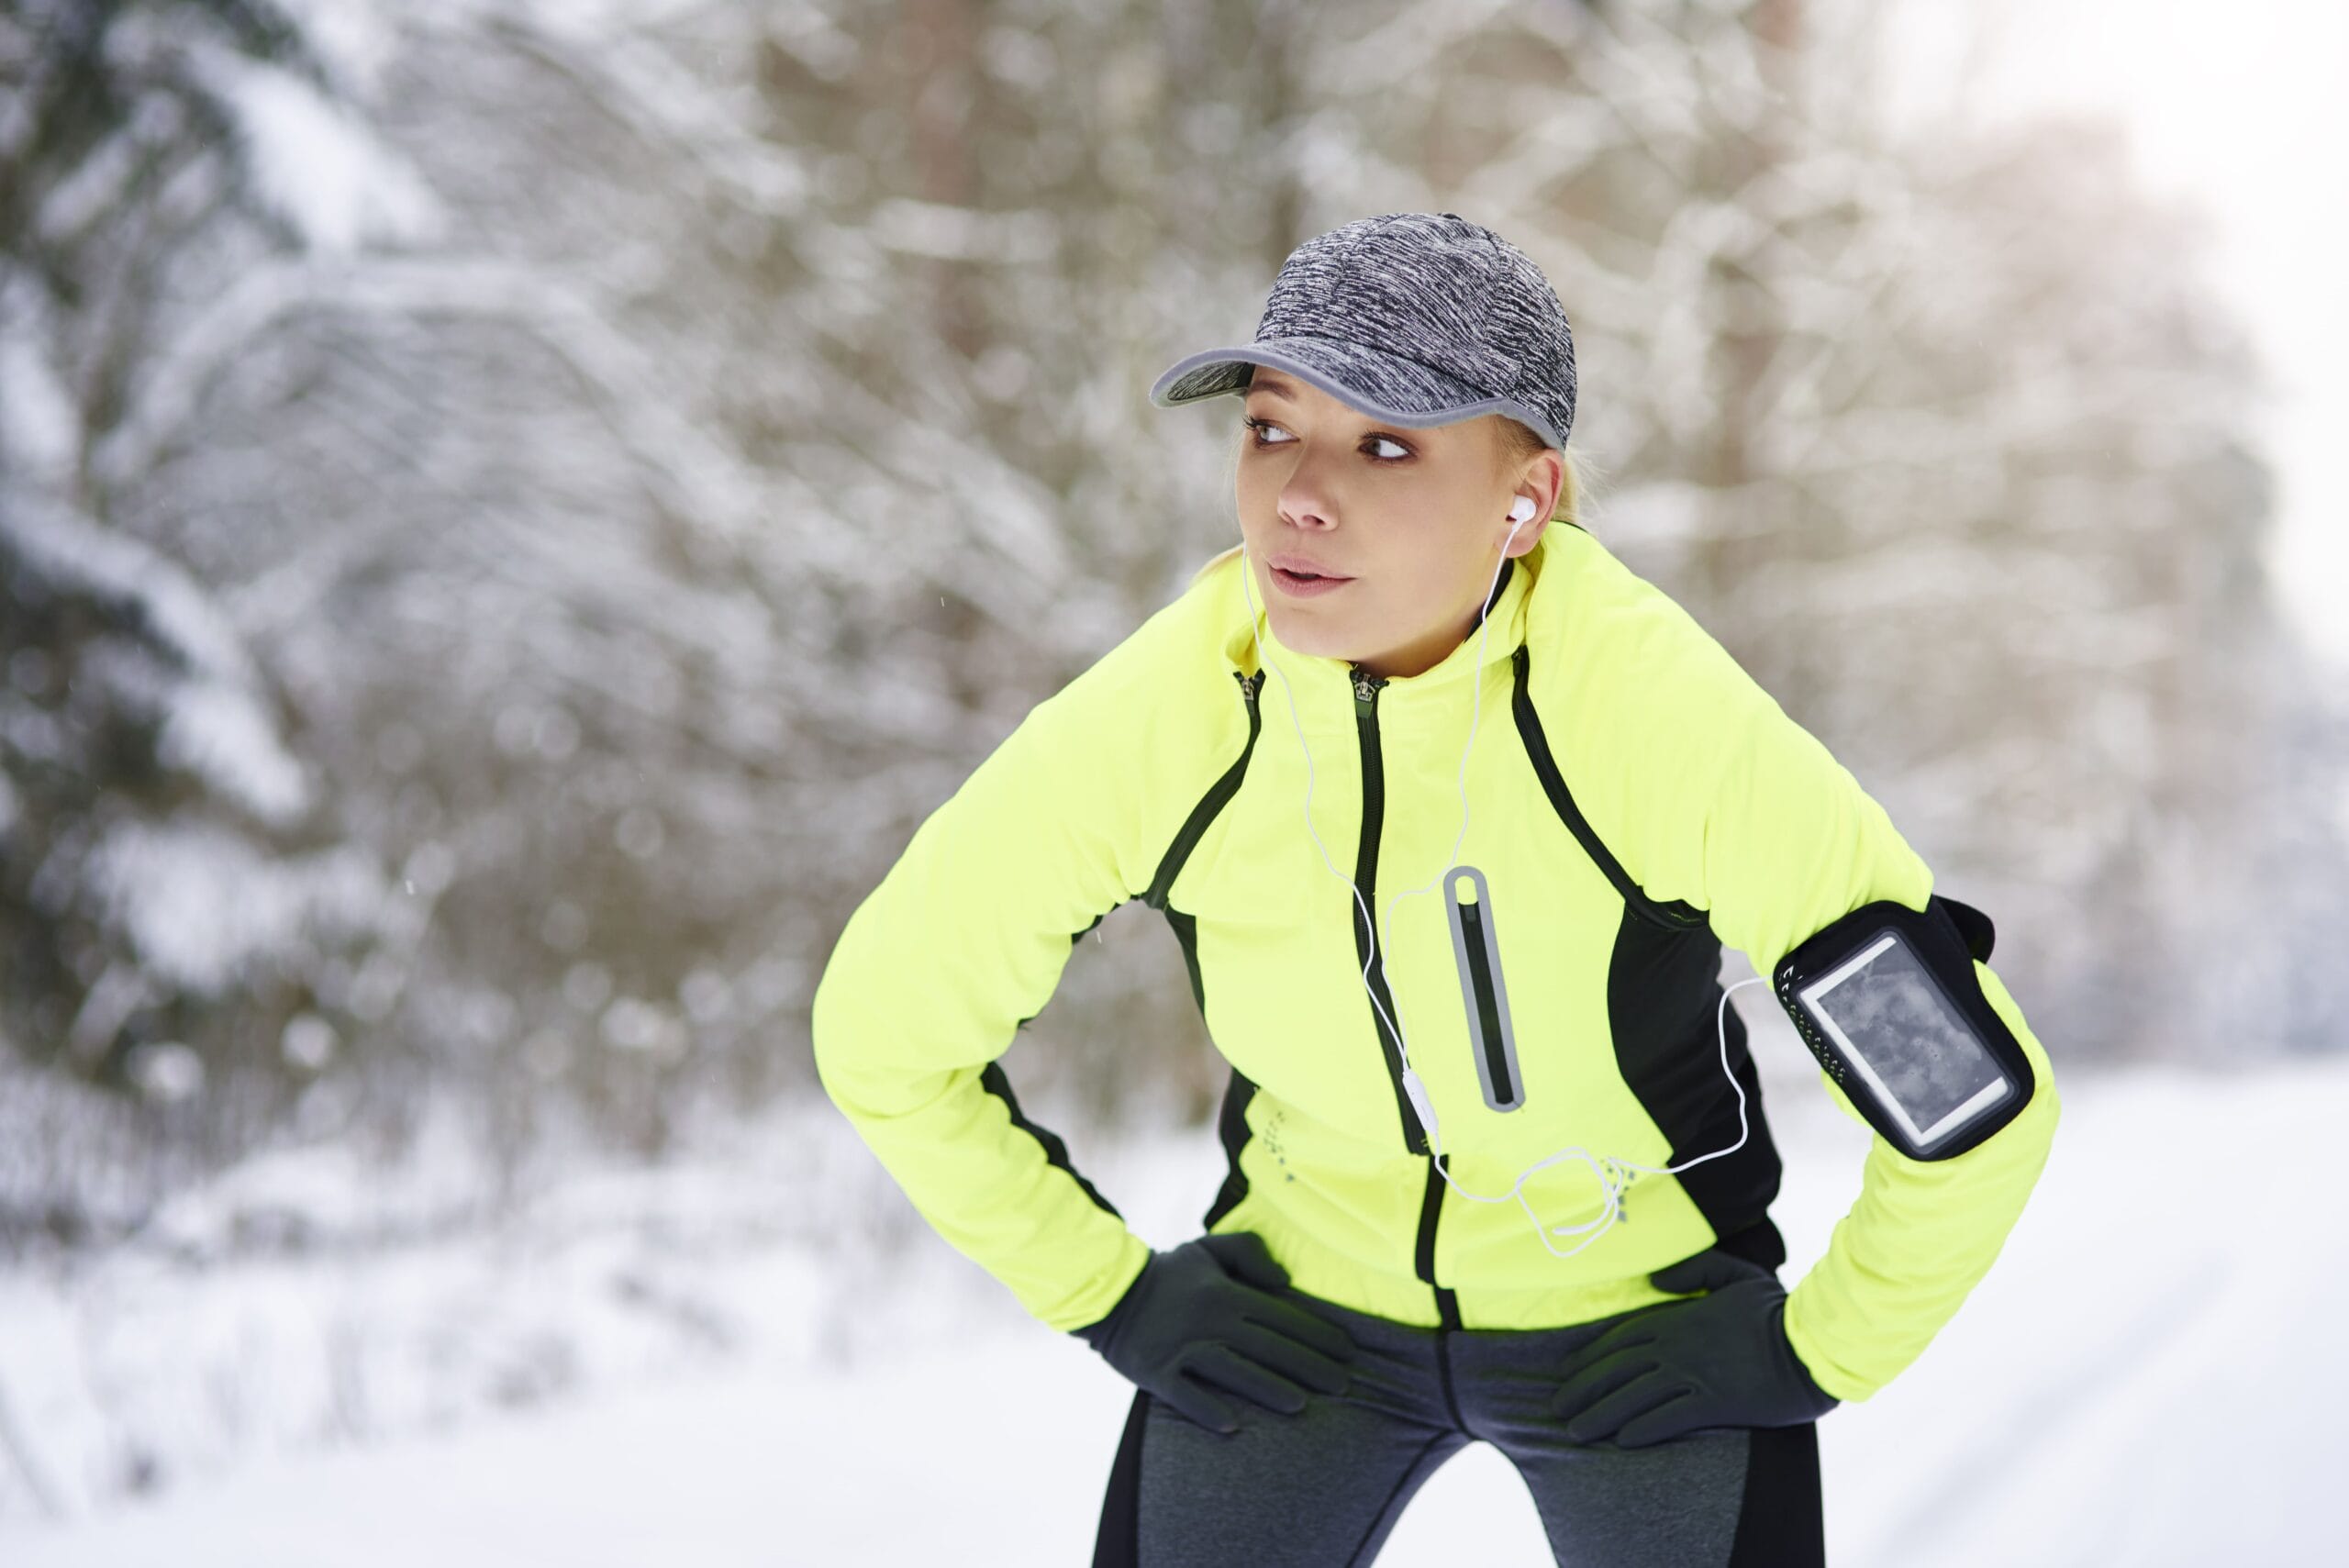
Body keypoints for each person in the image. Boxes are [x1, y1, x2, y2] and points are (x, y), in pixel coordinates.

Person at [810, 211, 2060, 1567]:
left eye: (1386, 443)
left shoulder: (1649, 714)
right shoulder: (1169, 716)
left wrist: (1819, 1346)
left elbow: (1971, 1097)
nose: (1298, 492)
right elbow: (885, 1038)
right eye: (1271, 426)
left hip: (1635, 1337)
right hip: (1296, 1328)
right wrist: (1112, 1294)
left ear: (1524, 499)